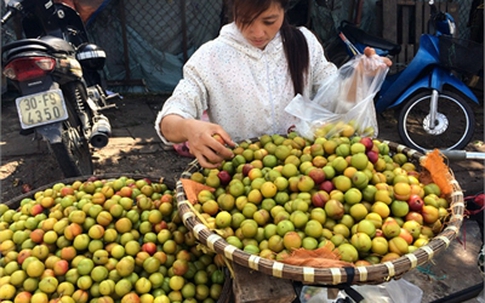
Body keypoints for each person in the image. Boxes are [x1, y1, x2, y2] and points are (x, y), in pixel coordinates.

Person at [155, 0, 390, 169]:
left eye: (269, 20)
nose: (258, 32)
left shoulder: (304, 44)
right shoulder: (210, 58)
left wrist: (359, 77)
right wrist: (188, 129)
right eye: (246, 20)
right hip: (240, 183)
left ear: (283, 9)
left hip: (306, 175)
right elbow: (172, 116)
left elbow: (335, 99)